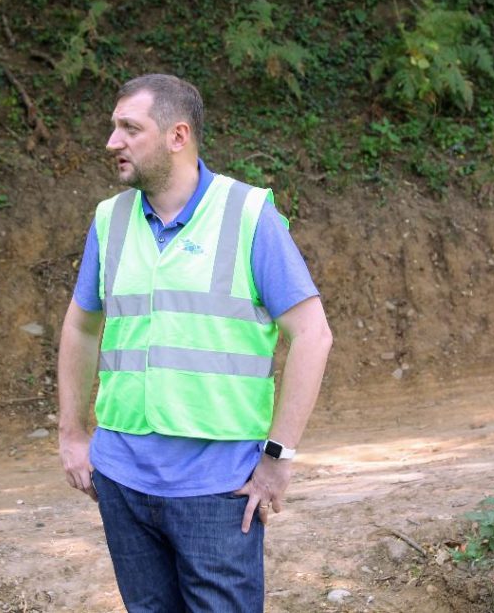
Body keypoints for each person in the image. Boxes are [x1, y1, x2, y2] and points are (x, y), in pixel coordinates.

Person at [58, 73, 333, 612]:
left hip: (219, 487)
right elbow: (80, 326)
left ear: (177, 136)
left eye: (129, 128)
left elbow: (313, 335)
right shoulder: (109, 220)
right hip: (122, 480)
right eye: (114, 127)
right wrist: (72, 433)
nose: (112, 141)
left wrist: (278, 456)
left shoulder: (249, 214)